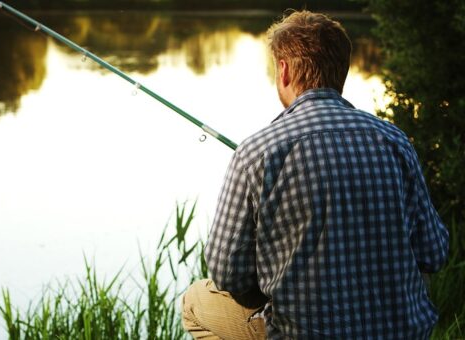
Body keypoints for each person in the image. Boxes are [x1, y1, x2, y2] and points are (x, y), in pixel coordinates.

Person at [181, 10, 449, 340]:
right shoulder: (395, 142)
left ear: (284, 70)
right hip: (401, 334)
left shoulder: (255, 153)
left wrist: (269, 289)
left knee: (194, 303)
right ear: (342, 72)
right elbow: (434, 251)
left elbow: (227, 272)